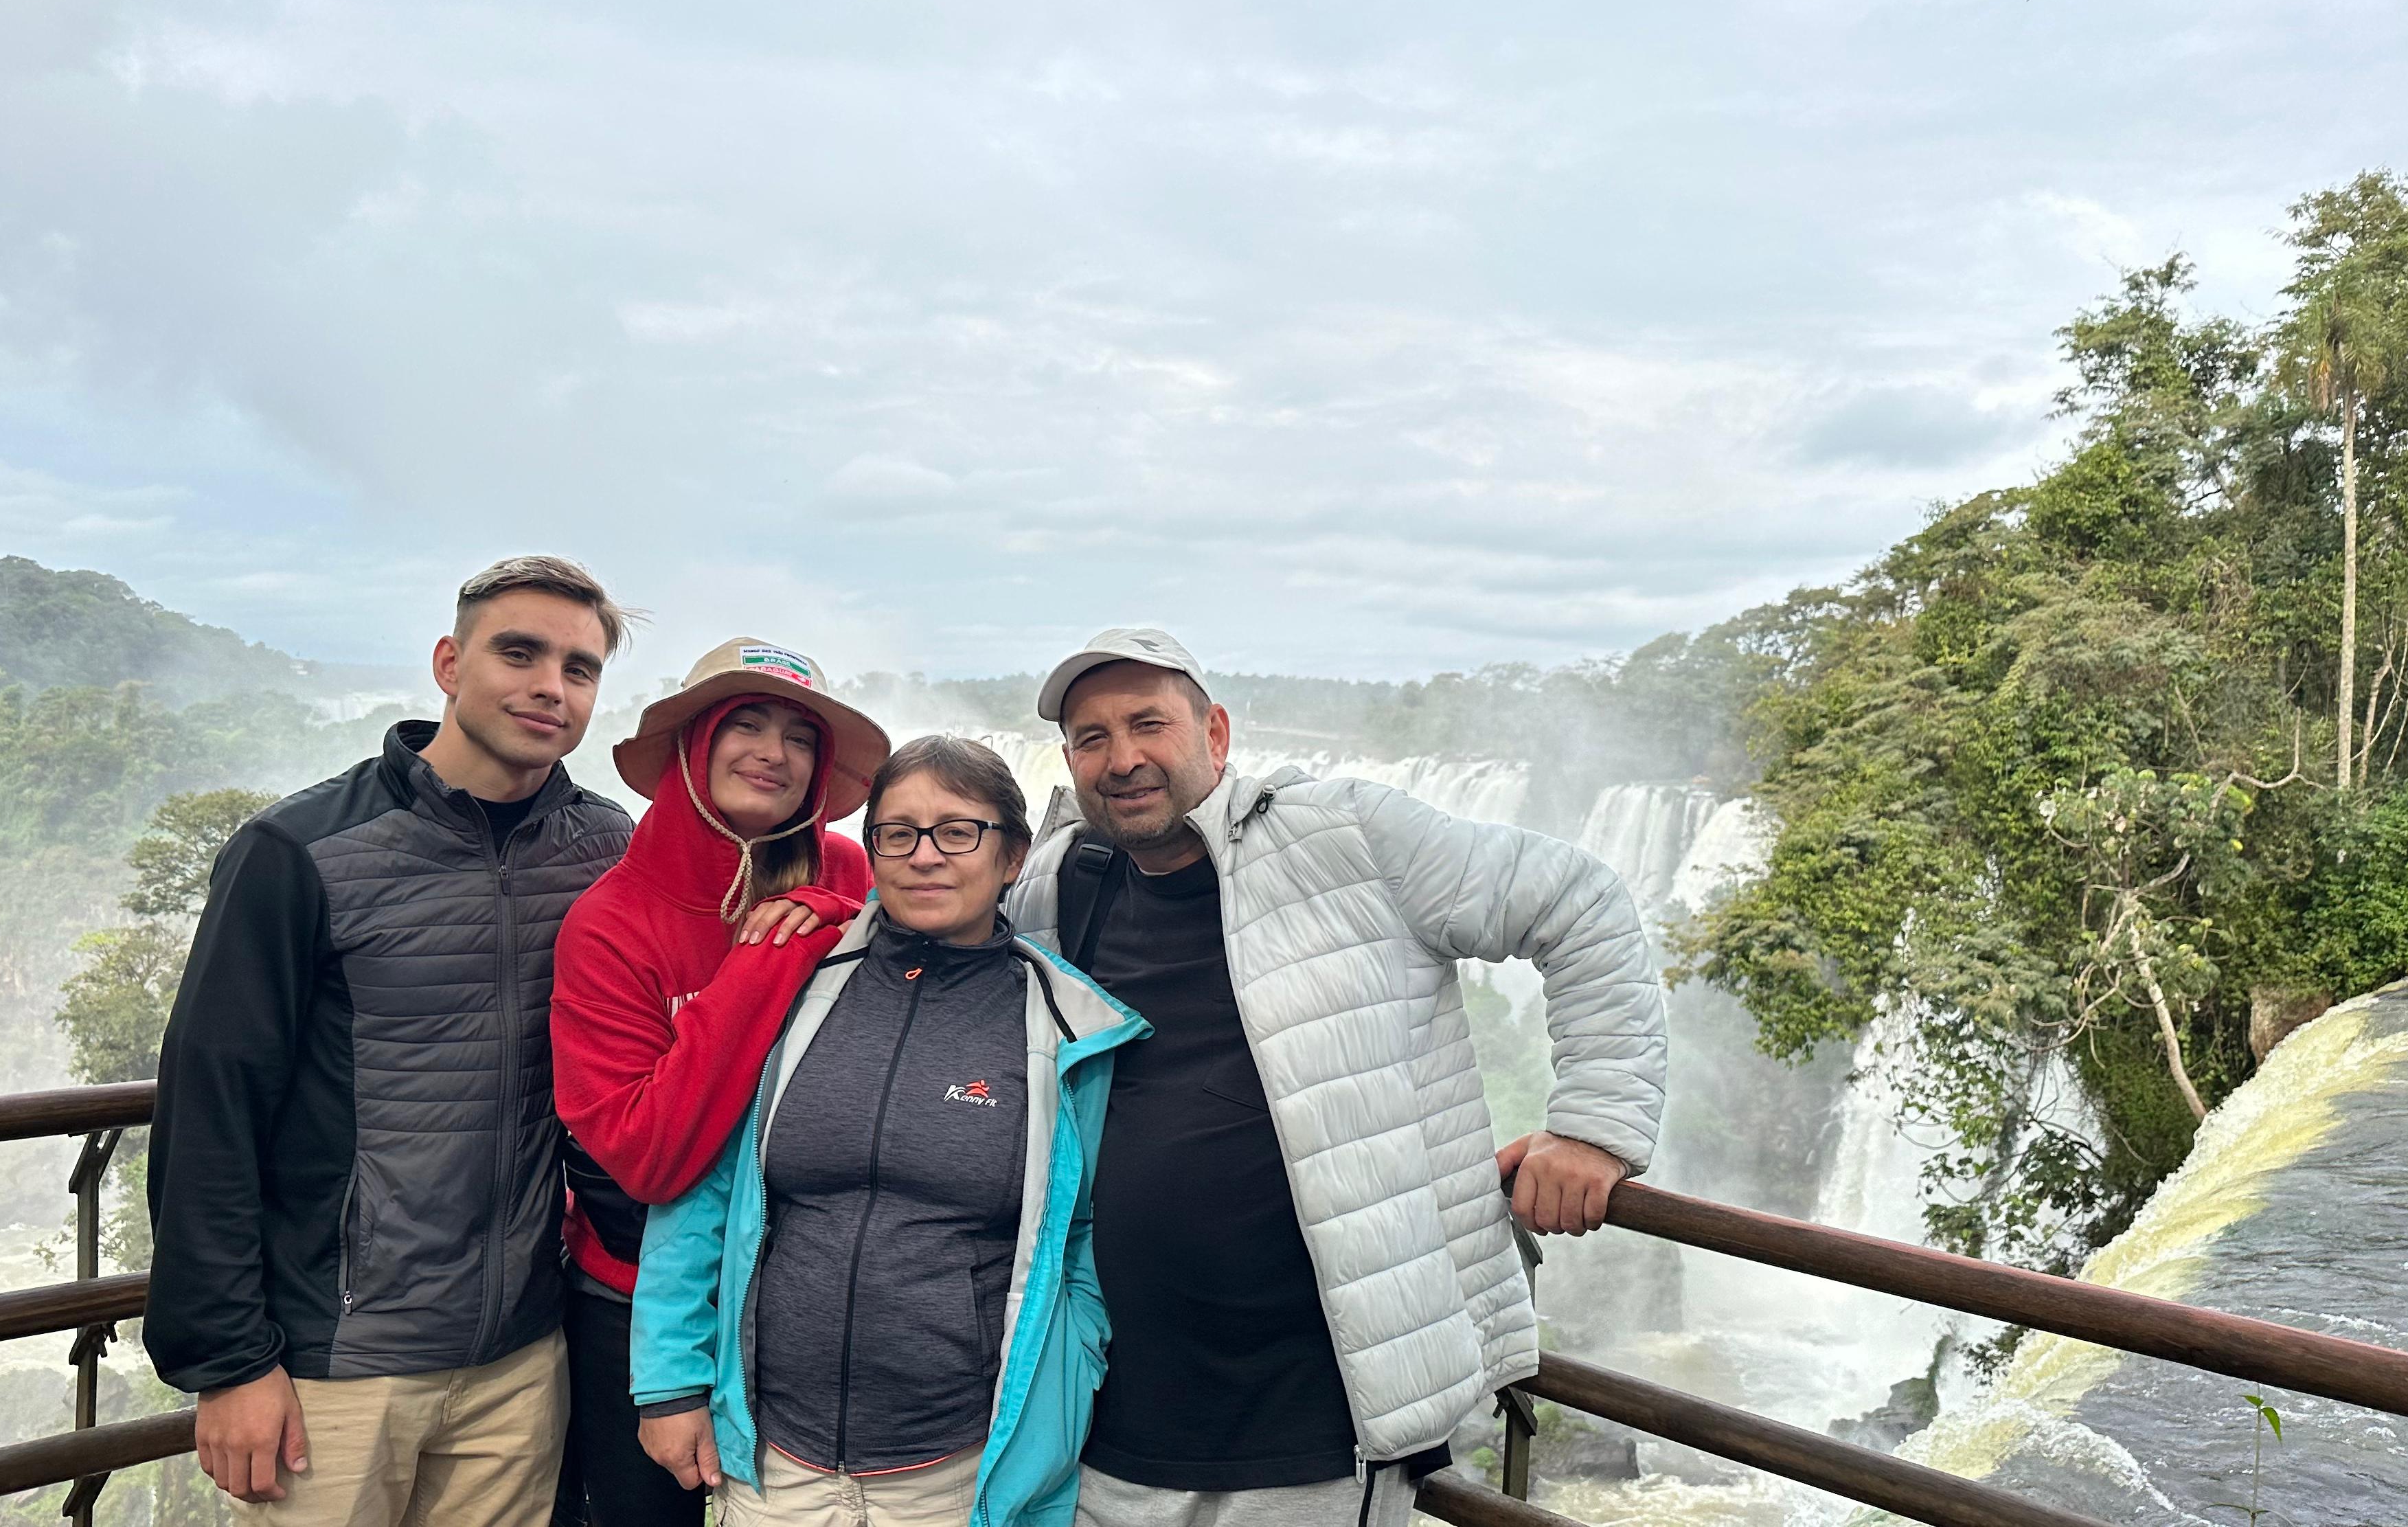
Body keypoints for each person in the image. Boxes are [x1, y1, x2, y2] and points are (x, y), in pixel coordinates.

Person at [1008, 628, 1669, 1527]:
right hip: (1108, 1409)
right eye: (1092, 737)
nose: (1122, 759)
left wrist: (1594, 1125)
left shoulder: (1347, 835)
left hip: (1311, 1422)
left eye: (1148, 724)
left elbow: (1580, 904)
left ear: (1216, 733)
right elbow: (937, 912)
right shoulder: (1064, 878)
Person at [143, 556, 639, 1526]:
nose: (550, 685)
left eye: (579, 669)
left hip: (520, 1362)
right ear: (450, 664)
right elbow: (212, 1107)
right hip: (337, 1364)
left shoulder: (605, 848)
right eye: (520, 652)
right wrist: (230, 1361)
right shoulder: (301, 852)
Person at [628, 735, 1148, 1527]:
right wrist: (669, 1382)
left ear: (1012, 857)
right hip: (772, 1465)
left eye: (958, 831)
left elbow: (1081, 1243)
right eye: (898, 833)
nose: (925, 856)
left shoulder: (1069, 1027)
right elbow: (705, 1189)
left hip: (961, 1471)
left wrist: (1067, 1391)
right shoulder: (791, 985)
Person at [548, 637, 891, 1526]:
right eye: (746, 723)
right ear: (694, 745)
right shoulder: (611, 925)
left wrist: (821, 911)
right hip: (631, 1306)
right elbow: (647, 1156)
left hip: (794, 1304)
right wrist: (770, 954)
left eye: (800, 736)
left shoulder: (848, 875)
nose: (773, 753)